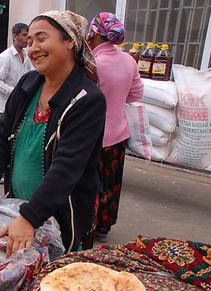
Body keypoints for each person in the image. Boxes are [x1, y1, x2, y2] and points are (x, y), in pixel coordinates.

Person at [0, 11, 106, 257]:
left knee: (54, 279)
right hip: (18, 205)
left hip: (61, 212)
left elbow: (66, 169)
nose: (33, 48)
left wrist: (29, 218)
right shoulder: (28, 84)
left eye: (41, 38)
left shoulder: (87, 99)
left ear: (70, 41)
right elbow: (2, 132)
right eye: (29, 41)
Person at [86, 12, 143, 243]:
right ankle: (104, 227)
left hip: (93, 135)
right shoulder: (129, 60)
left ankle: (90, 221)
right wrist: (117, 100)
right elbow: (137, 93)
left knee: (92, 180)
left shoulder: (93, 63)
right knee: (112, 181)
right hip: (119, 134)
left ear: (94, 34)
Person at [0, 23, 33, 118]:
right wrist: (15, 92)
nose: (27, 39)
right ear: (14, 36)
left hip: (22, 107)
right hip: (6, 108)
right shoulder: (5, 57)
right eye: (24, 35)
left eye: (28, 36)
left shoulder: (26, 56)